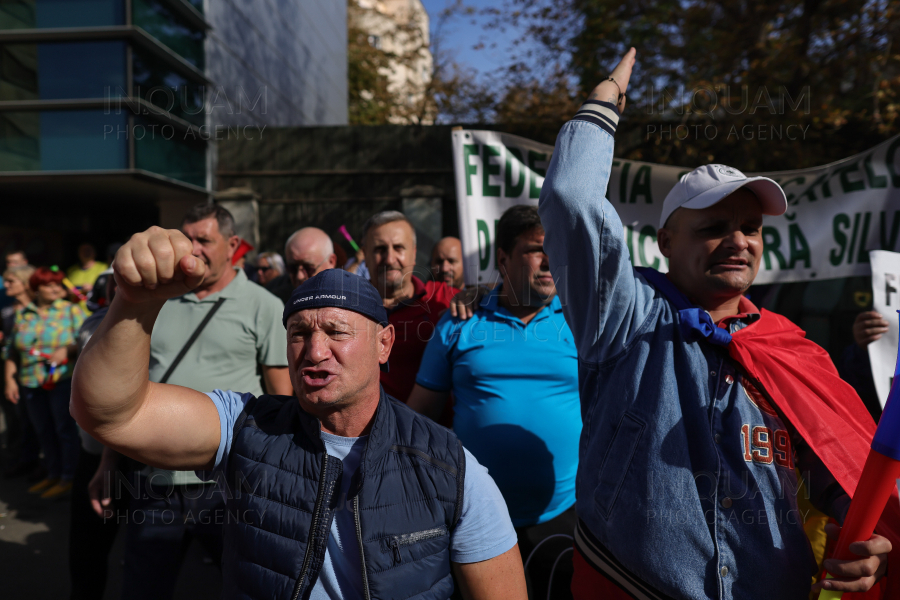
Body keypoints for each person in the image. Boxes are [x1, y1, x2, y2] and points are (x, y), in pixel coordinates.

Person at [538, 48, 898, 599]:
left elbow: (837, 468)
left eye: (751, 227)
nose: (739, 241)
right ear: (665, 242)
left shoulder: (793, 350)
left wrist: (864, 534)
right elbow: (571, 199)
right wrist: (604, 102)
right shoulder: (624, 318)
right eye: (713, 227)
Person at [71, 236, 529, 600]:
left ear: (384, 344)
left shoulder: (452, 468)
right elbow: (109, 414)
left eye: (336, 331)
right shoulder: (244, 426)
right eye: (299, 333)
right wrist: (134, 303)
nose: (314, 351)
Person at [113, 202, 293, 600]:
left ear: (232, 245)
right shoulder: (158, 299)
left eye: (204, 240)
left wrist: (279, 476)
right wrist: (107, 463)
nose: (192, 248)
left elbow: (282, 398)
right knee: (142, 589)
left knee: (250, 587)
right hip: (154, 479)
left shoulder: (263, 306)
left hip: (229, 482)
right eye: (187, 238)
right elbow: (129, 388)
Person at [409, 206, 580, 599]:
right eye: (537, 248)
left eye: (555, 247)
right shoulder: (459, 320)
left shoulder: (578, 319)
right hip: (474, 516)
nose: (550, 258)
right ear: (502, 258)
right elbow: (420, 416)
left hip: (564, 515)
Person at [2, 266, 84, 499]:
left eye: (58, 283)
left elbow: (91, 339)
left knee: (64, 430)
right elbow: (12, 351)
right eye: (49, 285)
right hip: (30, 382)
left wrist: (67, 349)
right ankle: (53, 473)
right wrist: (10, 380)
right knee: (43, 432)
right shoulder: (24, 313)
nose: (56, 288)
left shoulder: (72, 311)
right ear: (36, 288)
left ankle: (69, 477)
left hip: (61, 381)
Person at [363, 211, 459, 404]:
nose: (389, 259)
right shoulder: (346, 307)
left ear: (413, 254)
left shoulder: (444, 299)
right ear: (365, 256)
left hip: (434, 430)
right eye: (380, 249)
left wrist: (479, 294)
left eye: (398, 248)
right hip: (366, 432)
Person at [69, 273, 122, 600]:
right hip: (94, 453)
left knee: (153, 551)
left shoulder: (166, 319)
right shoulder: (94, 322)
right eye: (116, 280)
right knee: (87, 547)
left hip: (142, 457)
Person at [1, 265, 40, 479]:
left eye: (10, 282)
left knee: (37, 422)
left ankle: (36, 463)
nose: (5, 285)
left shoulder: (41, 309)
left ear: (25, 283)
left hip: (38, 374)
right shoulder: (8, 309)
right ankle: (22, 459)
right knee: (16, 419)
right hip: (11, 369)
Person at [265, 227, 338, 303]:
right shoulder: (275, 299)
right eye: (292, 268)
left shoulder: (347, 301)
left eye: (308, 268)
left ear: (331, 261)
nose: (299, 276)